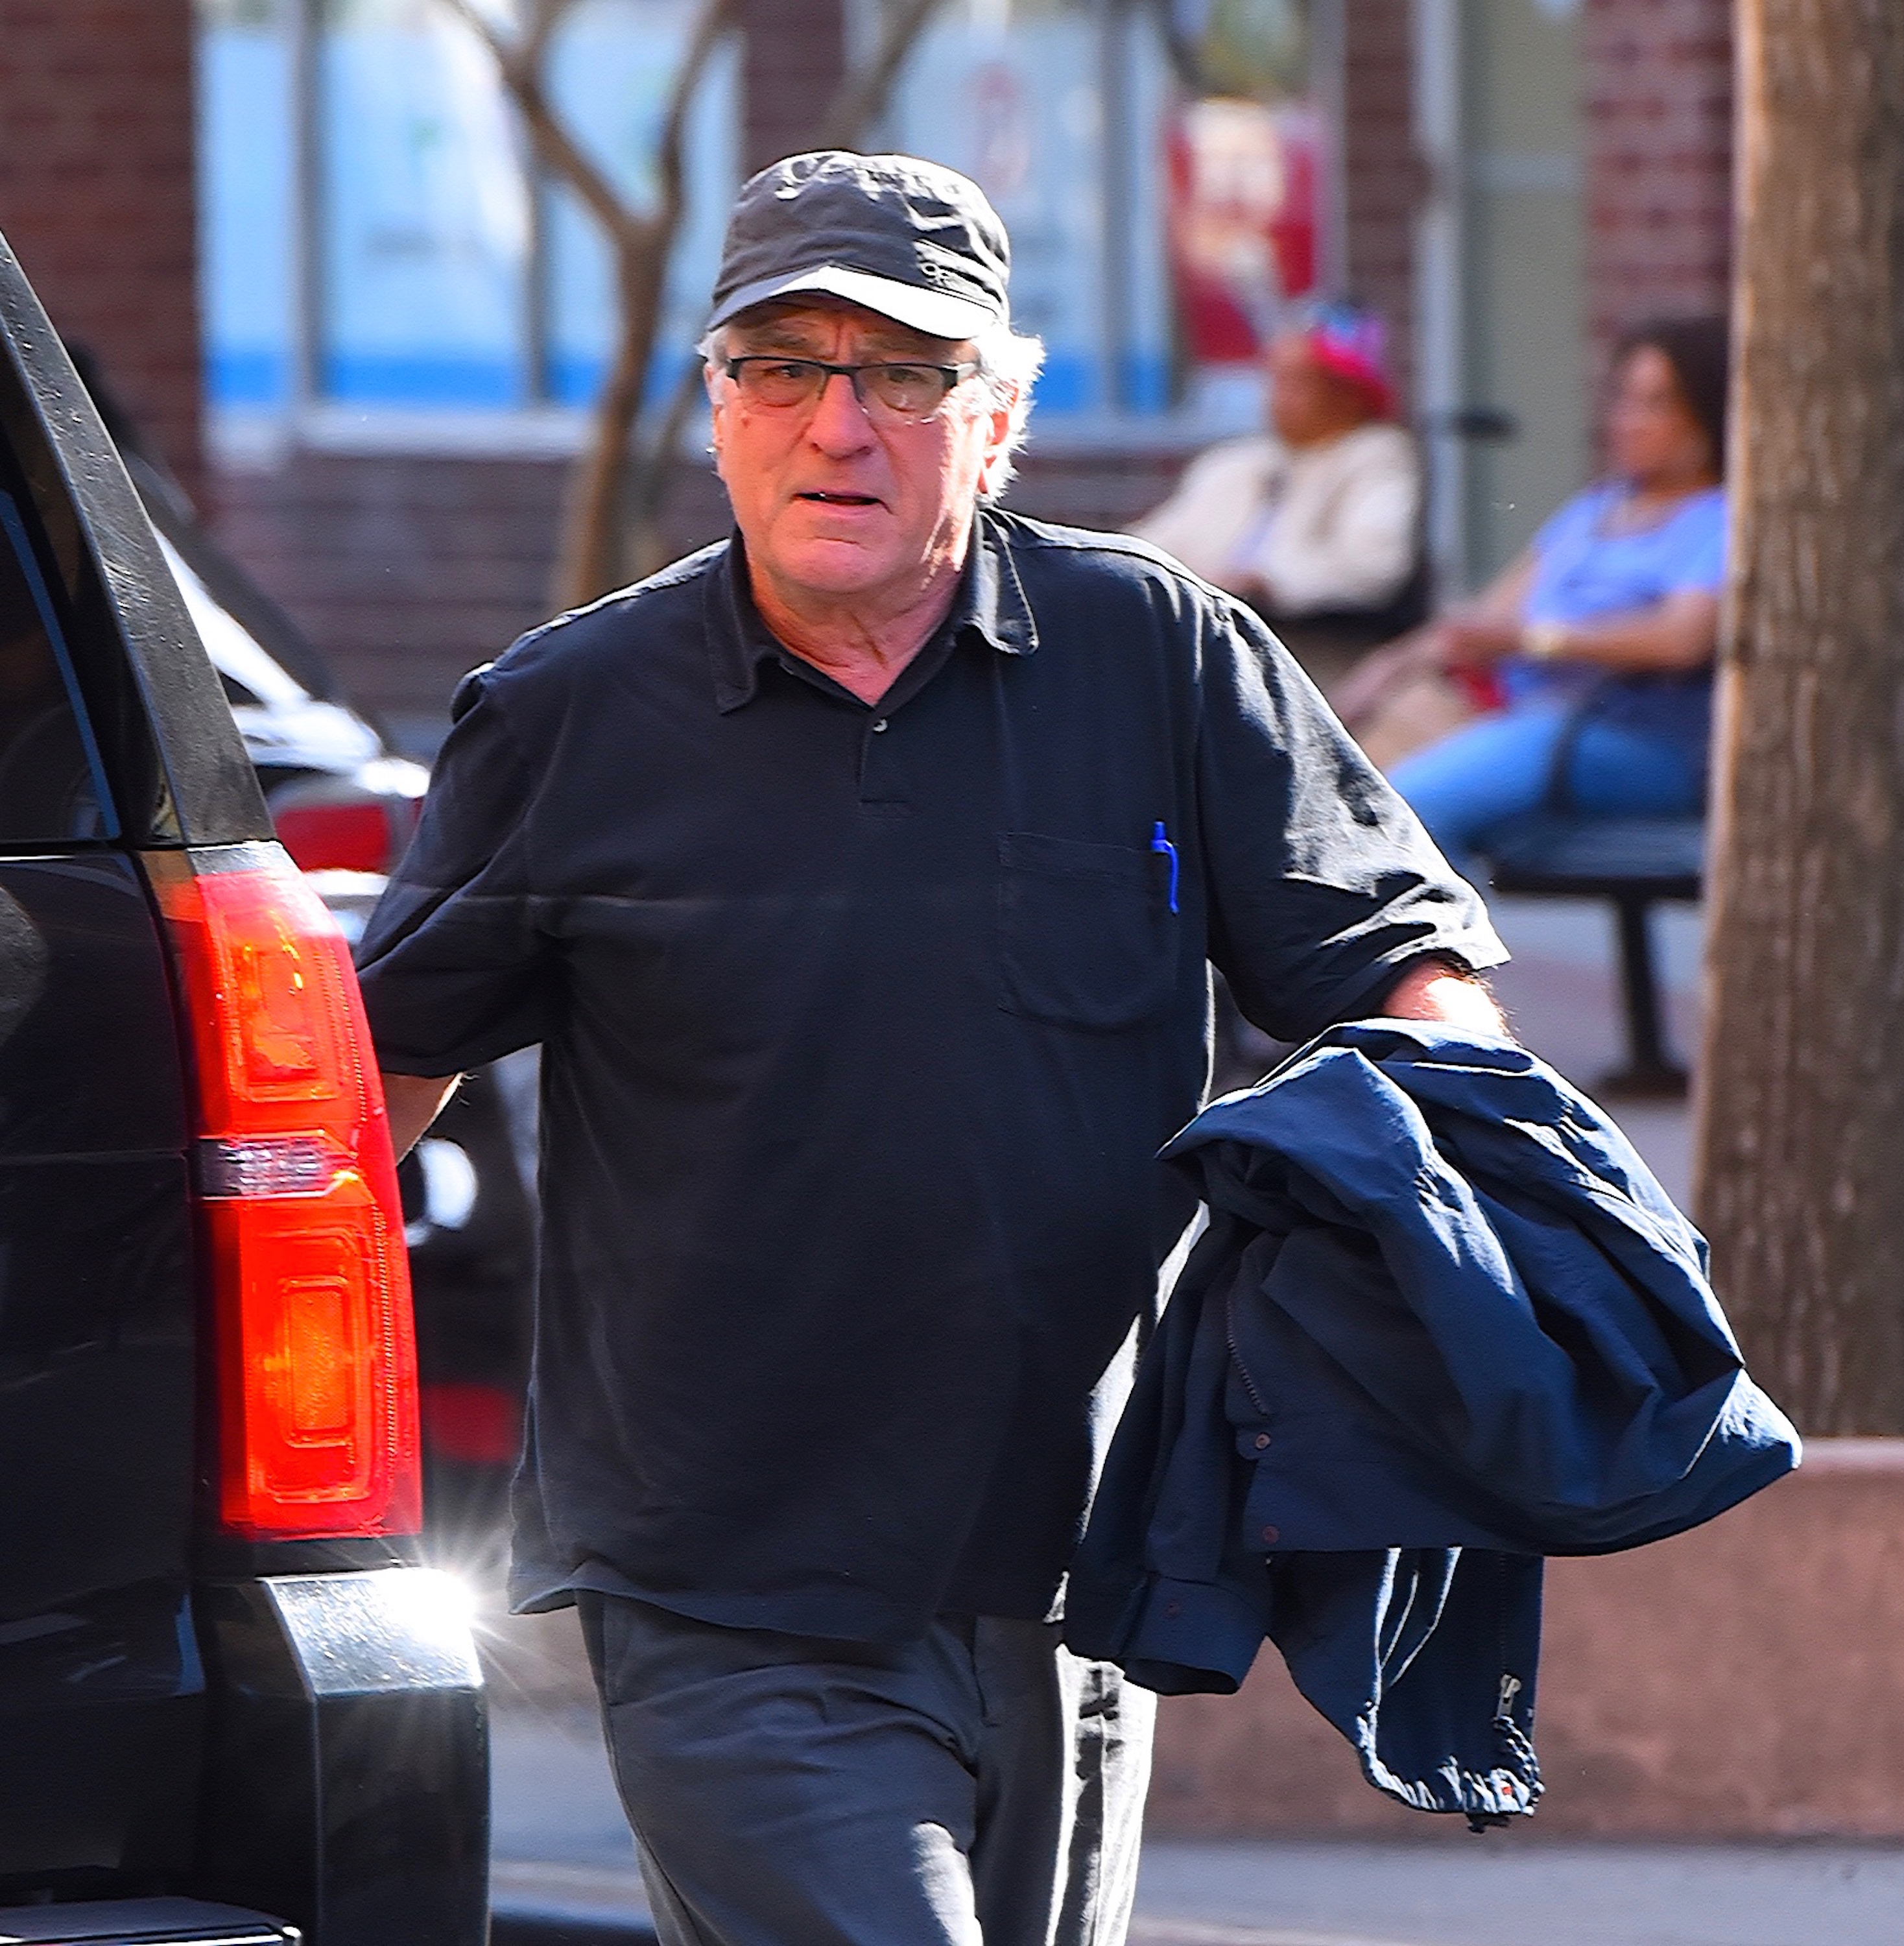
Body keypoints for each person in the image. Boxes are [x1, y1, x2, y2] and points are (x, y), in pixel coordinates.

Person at [355, 150, 1508, 1946]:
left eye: (905, 373)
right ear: (717, 406)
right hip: (727, 1592)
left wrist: (1471, 1207)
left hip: (1078, 1580)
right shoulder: (568, 718)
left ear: (1000, 415)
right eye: (787, 369)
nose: (842, 424)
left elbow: (1402, 972)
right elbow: (375, 1086)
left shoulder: (1162, 659)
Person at [1334, 317, 1730, 865]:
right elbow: (1486, 621)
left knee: (1404, 817)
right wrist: (1382, 673)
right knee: (1340, 795)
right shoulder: (1594, 509)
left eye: (1657, 404)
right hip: (1529, 722)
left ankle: (1439, 949)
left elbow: (1682, 639)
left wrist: (1539, 642)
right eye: (1623, 400)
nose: (1629, 422)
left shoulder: (1718, 518)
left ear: (1708, 413)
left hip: (1637, 739)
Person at [1133, 298, 1422, 675]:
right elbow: (1151, 545)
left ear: (1349, 393)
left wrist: (1269, 581)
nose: (1279, 397)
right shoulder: (1234, 463)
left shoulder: (1376, 456)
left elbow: (1372, 567)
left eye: (1300, 383)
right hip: (1203, 640)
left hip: (1309, 653)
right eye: (1275, 380)